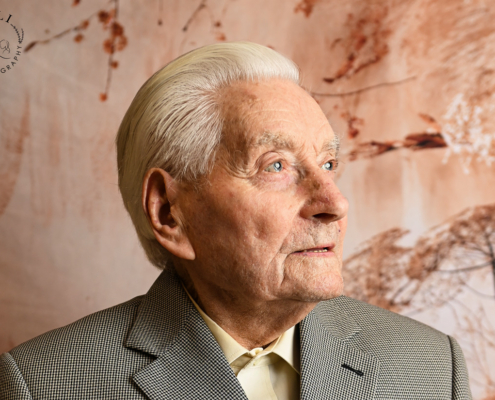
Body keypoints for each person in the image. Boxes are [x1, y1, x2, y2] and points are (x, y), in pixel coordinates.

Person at [0, 42, 472, 400]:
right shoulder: (44, 384)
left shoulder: (432, 369)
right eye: (276, 166)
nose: (334, 202)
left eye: (328, 165)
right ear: (170, 213)